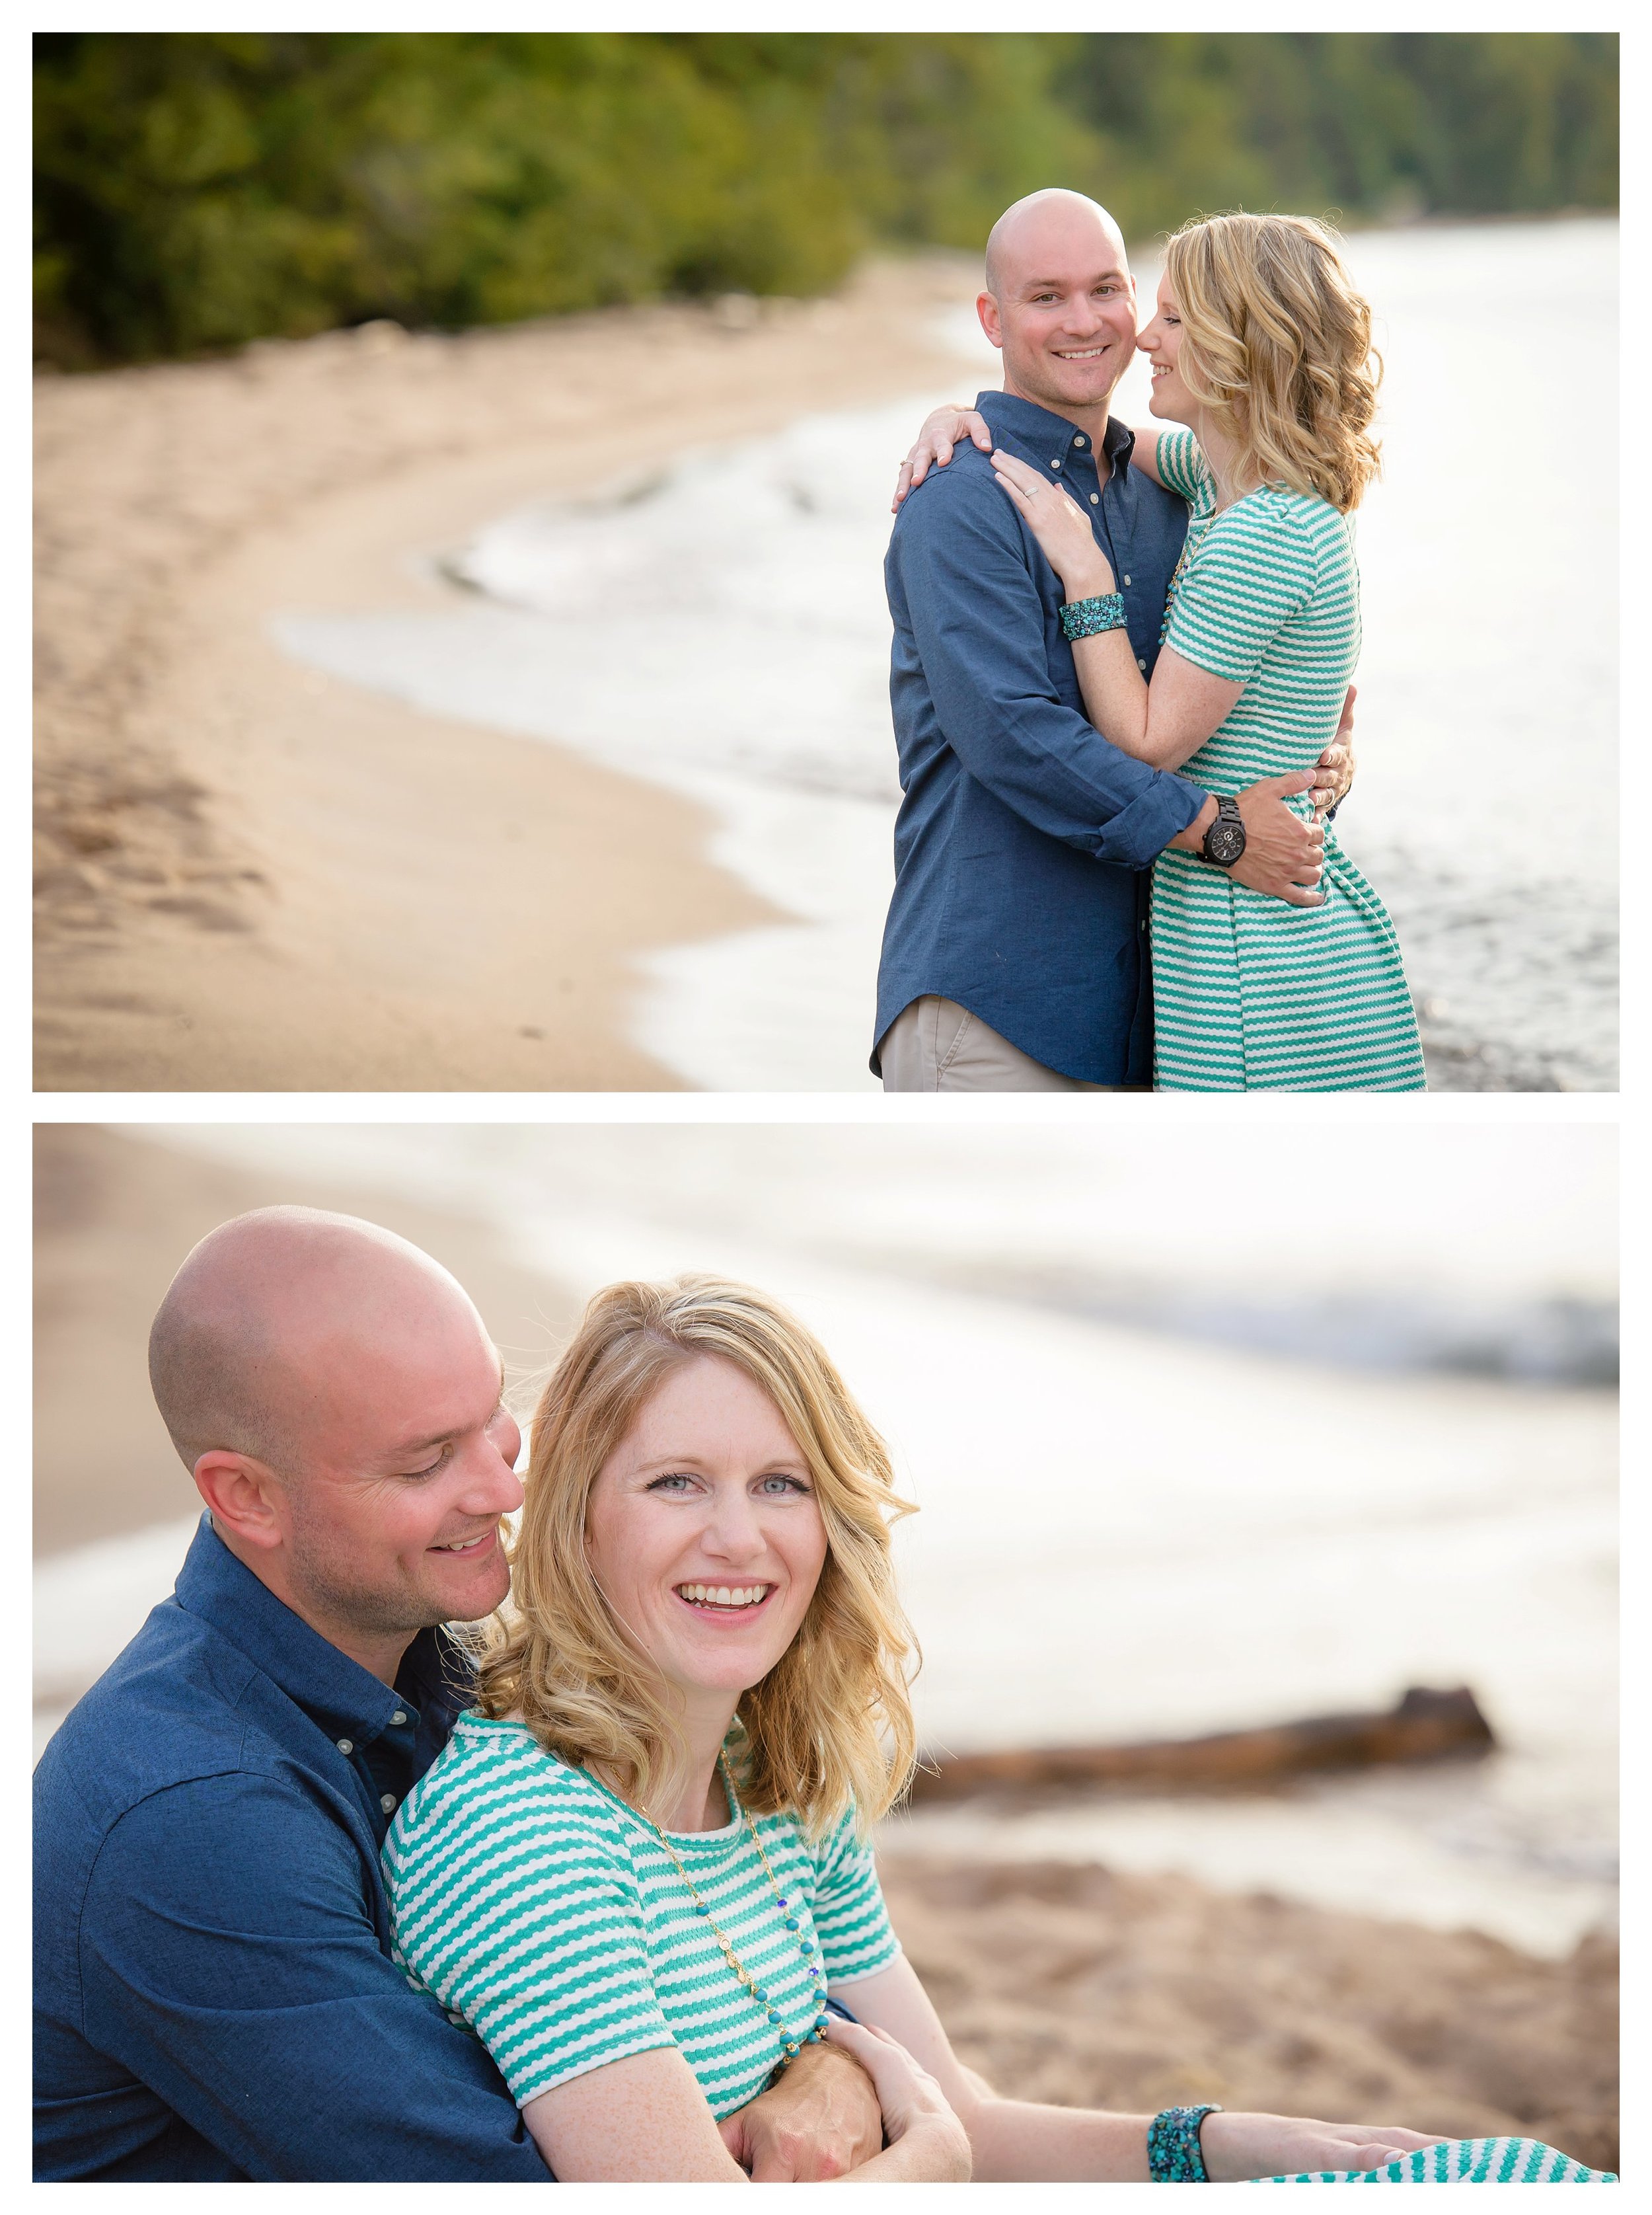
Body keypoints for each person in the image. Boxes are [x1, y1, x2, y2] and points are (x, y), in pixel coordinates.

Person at [383, 1273, 1609, 2182]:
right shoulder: (520, 1827)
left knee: (1494, 2176)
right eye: (674, 1482)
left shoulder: (775, 1778)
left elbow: (967, 2105)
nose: (739, 1538)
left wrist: (1219, 2143)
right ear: (575, 1519)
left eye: (782, 1483)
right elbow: (928, 2147)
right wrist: (930, 2159)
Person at [33, 1210, 897, 2182]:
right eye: (427, 1460)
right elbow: (522, 2183)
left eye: (492, 1418)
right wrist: (921, 2146)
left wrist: (834, 2062)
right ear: (248, 1499)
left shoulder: (425, 1653)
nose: (506, 1488)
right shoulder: (189, 1816)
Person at [907, 209, 1425, 1091]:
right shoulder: (1212, 480)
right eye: (1049, 297)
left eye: (1169, 317)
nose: (1142, 335)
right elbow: (1099, 443)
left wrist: (1085, 574)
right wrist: (964, 416)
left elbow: (1157, 741)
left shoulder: (1250, 523)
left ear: (1243, 346)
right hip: (1129, 963)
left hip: (1249, 971)